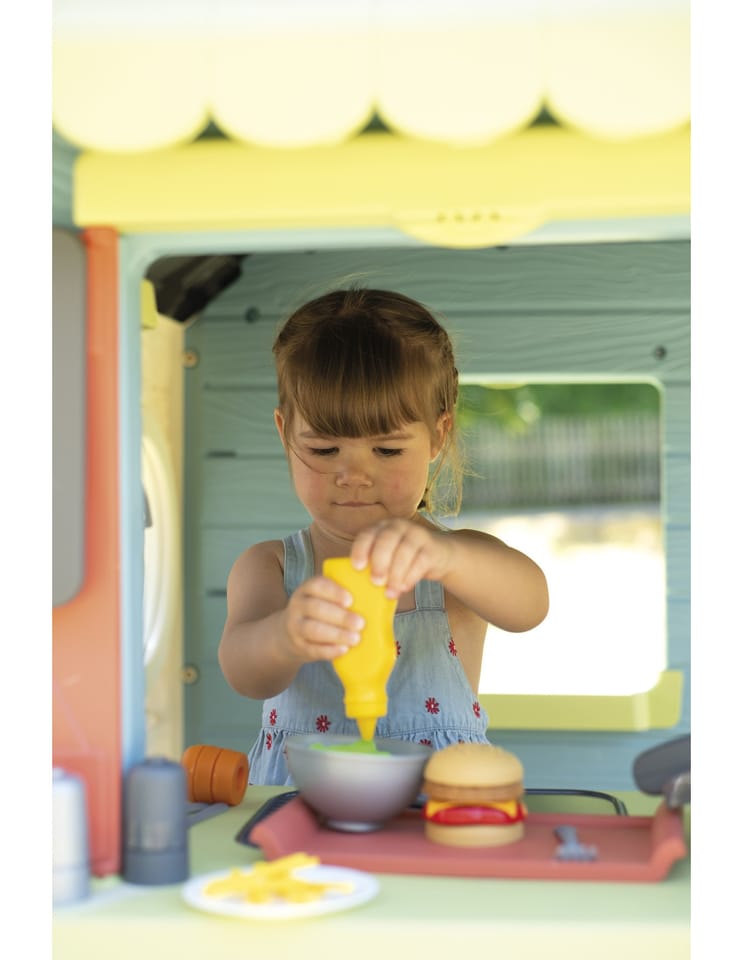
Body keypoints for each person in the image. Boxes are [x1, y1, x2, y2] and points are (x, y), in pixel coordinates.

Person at [219, 287, 549, 784]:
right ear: (285, 434)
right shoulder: (273, 566)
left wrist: (448, 558)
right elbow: (245, 674)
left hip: (435, 805)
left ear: (437, 435)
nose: (354, 476)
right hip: (301, 806)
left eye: (387, 450)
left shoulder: (458, 563)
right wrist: (285, 635)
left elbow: (531, 606)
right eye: (325, 449)